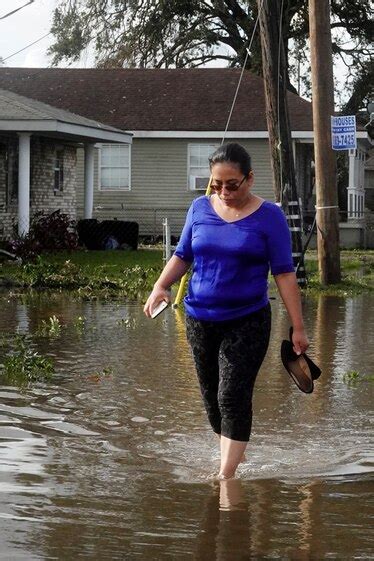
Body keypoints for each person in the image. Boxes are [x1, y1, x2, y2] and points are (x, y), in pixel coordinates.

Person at [144, 142, 309, 479]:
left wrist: (298, 327)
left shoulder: (269, 217)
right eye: (216, 184)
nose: (223, 192)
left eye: (231, 184)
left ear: (249, 179)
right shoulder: (199, 208)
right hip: (200, 319)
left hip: (247, 320)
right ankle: (233, 454)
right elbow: (182, 254)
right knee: (211, 398)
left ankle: (226, 476)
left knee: (231, 392)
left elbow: (284, 273)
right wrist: (161, 285)